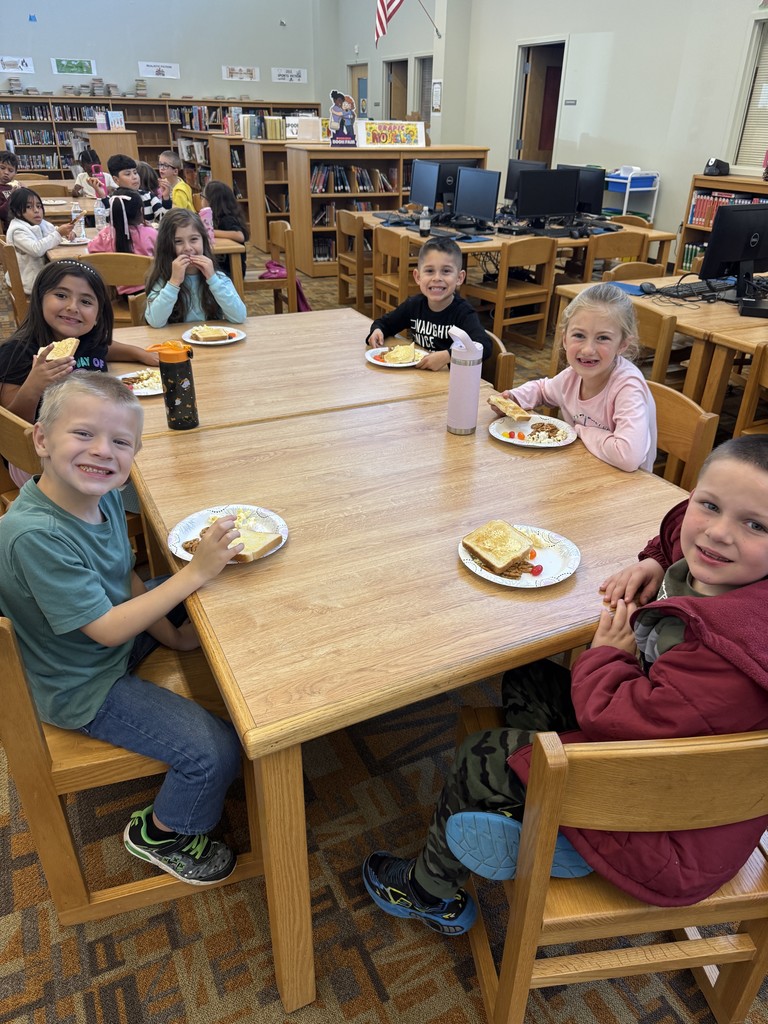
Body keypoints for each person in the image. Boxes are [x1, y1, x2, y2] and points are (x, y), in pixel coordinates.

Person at [362, 435, 768, 934]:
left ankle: (430, 892)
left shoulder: (732, 651)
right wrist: (655, 561)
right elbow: (679, 529)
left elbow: (621, 717)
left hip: (666, 829)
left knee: (479, 756)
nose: (718, 534)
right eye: (710, 505)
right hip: (661, 758)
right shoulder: (727, 563)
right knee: (528, 680)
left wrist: (605, 658)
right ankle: (531, 809)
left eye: (755, 525)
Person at [0, 371, 246, 884]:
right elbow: (109, 629)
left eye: (121, 442)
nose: (103, 452)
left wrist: (176, 635)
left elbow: (126, 577)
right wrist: (196, 572)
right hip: (81, 686)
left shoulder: (101, 492)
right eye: (83, 434)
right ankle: (162, 832)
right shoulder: (34, 536)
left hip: (107, 640)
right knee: (216, 751)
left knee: (206, 599)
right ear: (41, 440)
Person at [493, 282, 656, 472]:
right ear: (564, 339)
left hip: (629, 488)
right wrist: (515, 398)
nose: (588, 349)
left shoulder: (628, 387)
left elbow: (628, 457)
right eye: (579, 335)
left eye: (603, 338)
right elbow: (542, 389)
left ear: (622, 345)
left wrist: (578, 430)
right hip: (582, 470)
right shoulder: (572, 377)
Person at [365, 237, 491, 370]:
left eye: (446, 271)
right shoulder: (413, 305)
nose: (437, 278)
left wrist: (448, 356)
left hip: (448, 381)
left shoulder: (463, 313)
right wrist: (377, 330)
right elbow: (385, 323)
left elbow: (484, 346)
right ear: (418, 277)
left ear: (459, 278)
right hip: (418, 377)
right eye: (430, 271)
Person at [144, 208, 246, 327]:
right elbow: (155, 322)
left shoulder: (218, 278)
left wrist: (213, 280)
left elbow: (239, 317)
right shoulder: (162, 280)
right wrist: (174, 282)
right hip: (175, 343)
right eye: (178, 241)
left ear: (203, 240)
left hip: (210, 342)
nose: (187, 248)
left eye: (193, 239)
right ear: (166, 246)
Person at [4, 187, 78, 295]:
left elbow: (53, 231)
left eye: (39, 206)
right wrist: (58, 234)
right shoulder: (17, 230)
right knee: (72, 282)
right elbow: (36, 249)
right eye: (29, 207)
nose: (36, 210)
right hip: (28, 281)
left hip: (40, 274)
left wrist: (67, 234)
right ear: (16, 211)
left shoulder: (40, 222)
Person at [87, 188, 156, 294]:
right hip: (151, 294)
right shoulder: (151, 234)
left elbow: (92, 253)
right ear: (141, 211)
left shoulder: (105, 234)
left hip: (120, 297)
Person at [200, 179, 249, 276]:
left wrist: (210, 231)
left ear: (211, 201)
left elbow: (240, 235)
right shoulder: (214, 217)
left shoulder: (227, 219)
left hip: (232, 271)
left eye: (202, 197)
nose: (201, 200)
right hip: (222, 267)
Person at [108, 154, 166, 223]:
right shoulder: (114, 200)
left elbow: (164, 219)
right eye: (128, 174)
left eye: (135, 173)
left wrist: (166, 197)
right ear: (116, 180)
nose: (134, 177)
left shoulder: (148, 196)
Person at [0, 148, 21, 231]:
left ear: (15, 173)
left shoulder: (16, 186)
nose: (6, 172)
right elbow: (2, 213)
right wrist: (12, 196)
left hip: (24, 223)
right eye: (2, 168)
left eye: (11, 170)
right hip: (10, 229)